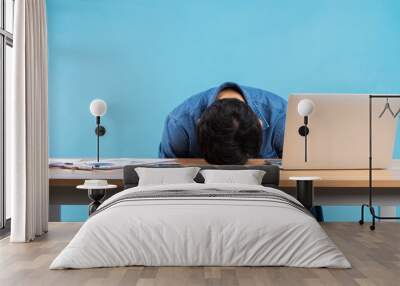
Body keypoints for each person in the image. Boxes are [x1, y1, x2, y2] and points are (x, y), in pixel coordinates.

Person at [159, 82, 287, 164]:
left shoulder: (283, 119)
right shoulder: (179, 125)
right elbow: (165, 179)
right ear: (198, 124)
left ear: (260, 124)